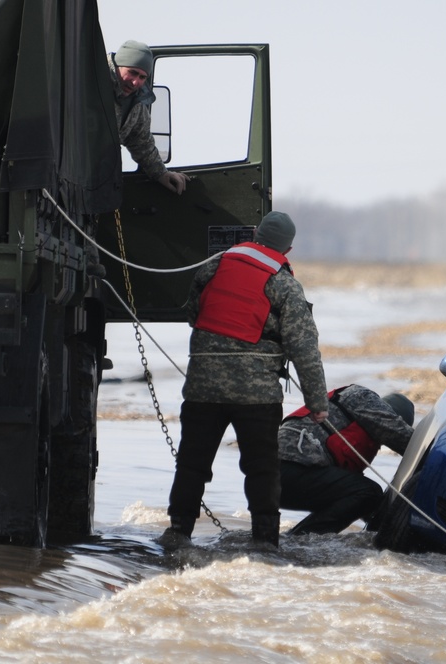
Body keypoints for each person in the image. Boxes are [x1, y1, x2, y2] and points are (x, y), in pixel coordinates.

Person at [159, 211, 329, 549]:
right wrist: (317, 403)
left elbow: (192, 312)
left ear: (254, 233)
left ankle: (178, 532)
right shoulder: (285, 285)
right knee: (262, 468)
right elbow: (304, 349)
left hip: (202, 390)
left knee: (193, 464)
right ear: (288, 249)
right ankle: (265, 540)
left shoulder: (213, 266)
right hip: (257, 397)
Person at [278, 385, 415, 535]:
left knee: (365, 494)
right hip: (287, 469)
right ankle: (300, 539)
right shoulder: (363, 397)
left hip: (266, 476)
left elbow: (353, 497)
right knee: (369, 492)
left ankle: (291, 539)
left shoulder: (347, 418)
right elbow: (405, 439)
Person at [108, 40, 188, 194]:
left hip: (100, 183)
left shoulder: (137, 103)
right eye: (132, 72)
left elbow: (140, 140)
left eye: (142, 77)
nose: (135, 81)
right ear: (118, 65)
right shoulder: (89, 83)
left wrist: (161, 173)